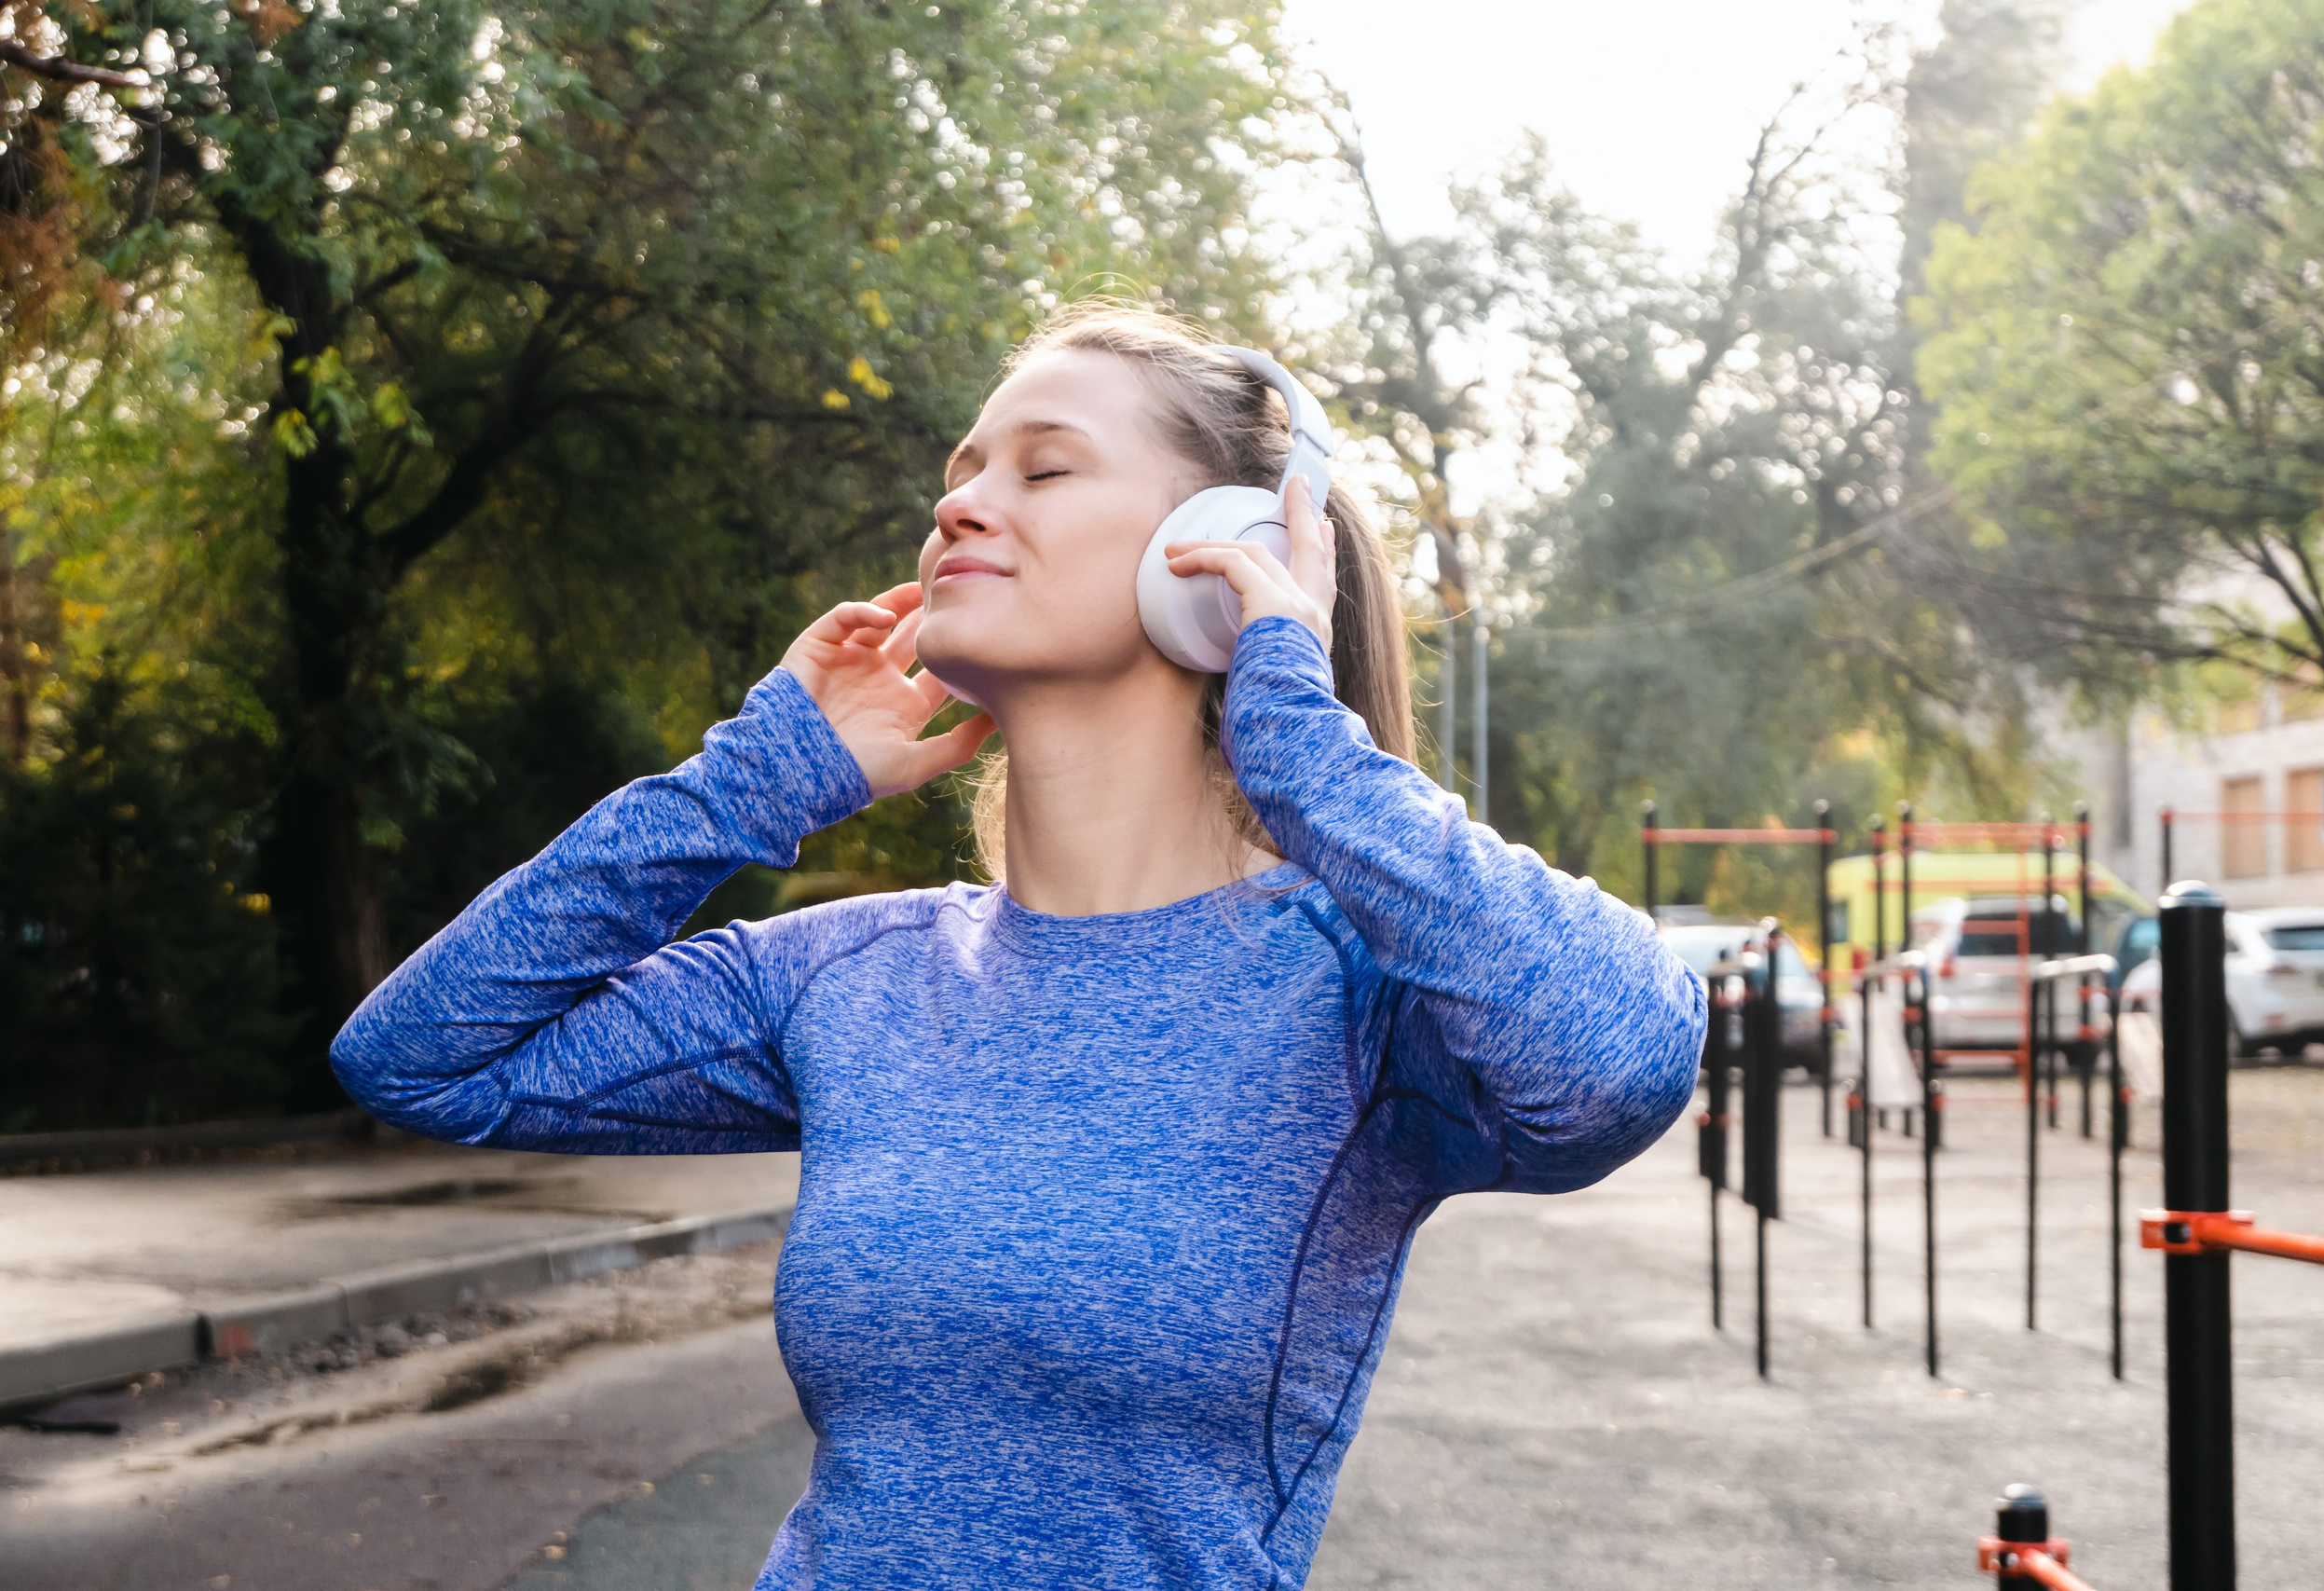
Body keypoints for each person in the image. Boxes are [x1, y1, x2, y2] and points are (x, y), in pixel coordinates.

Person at [332, 302, 1705, 1590]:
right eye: (962, 469)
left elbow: (1623, 1056)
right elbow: (424, 1057)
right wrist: (749, 784)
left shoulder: (1356, 995)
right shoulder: (845, 977)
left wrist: (1303, 749)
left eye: (1044, 472)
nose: (958, 502)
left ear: (1228, 554)